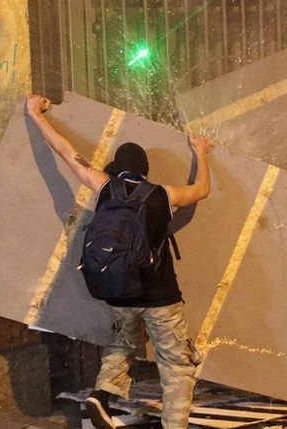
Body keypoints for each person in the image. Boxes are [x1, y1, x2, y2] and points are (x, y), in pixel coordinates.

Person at [26, 94, 212, 429]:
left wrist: (36, 116)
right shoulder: (163, 194)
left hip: (119, 293)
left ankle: (101, 396)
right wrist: (200, 152)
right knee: (176, 368)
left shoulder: (104, 186)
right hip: (162, 300)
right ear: (145, 170)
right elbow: (201, 190)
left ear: (118, 167)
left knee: (121, 346)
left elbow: (66, 153)